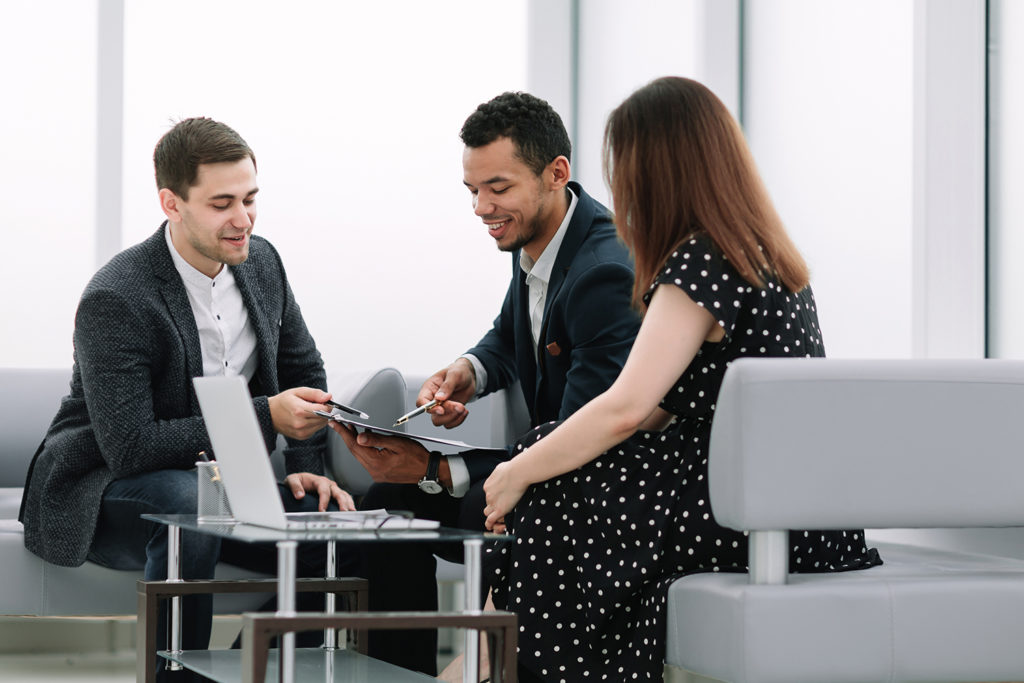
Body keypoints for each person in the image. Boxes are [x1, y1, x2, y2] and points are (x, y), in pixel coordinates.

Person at [477, 77, 884, 681]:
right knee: (549, 466)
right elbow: (661, 407)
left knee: (548, 496)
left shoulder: (702, 260)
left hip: (748, 514)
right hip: (794, 510)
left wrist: (513, 472)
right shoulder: (762, 253)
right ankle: (487, 668)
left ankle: (501, 668)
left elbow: (627, 408)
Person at [18, 117, 354, 680]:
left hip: (226, 482)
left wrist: (305, 467)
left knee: (329, 530)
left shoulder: (263, 263)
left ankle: (250, 669)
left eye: (250, 199)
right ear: (172, 203)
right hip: (105, 486)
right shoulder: (118, 296)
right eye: (222, 203)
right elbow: (131, 446)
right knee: (196, 504)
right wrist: (264, 416)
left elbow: (303, 369)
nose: (242, 220)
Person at [333, 91, 641, 675]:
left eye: (497, 187)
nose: (481, 206)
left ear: (557, 174)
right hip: (542, 475)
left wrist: (434, 468)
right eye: (473, 190)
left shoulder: (602, 271)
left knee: (404, 495)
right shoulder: (539, 238)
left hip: (576, 496)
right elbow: (509, 336)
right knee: (387, 508)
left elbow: (579, 444)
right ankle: (399, 672)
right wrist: (465, 374)